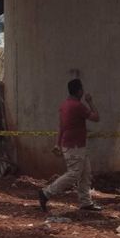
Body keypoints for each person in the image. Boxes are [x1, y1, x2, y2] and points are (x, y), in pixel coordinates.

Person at [38, 78, 101, 212]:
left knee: (85, 173)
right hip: (75, 146)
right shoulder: (78, 106)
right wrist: (90, 101)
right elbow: (96, 117)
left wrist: (58, 143)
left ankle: (85, 202)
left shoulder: (64, 105)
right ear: (79, 91)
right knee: (74, 174)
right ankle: (46, 193)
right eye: (82, 89)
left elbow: (61, 127)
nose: (83, 92)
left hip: (74, 145)